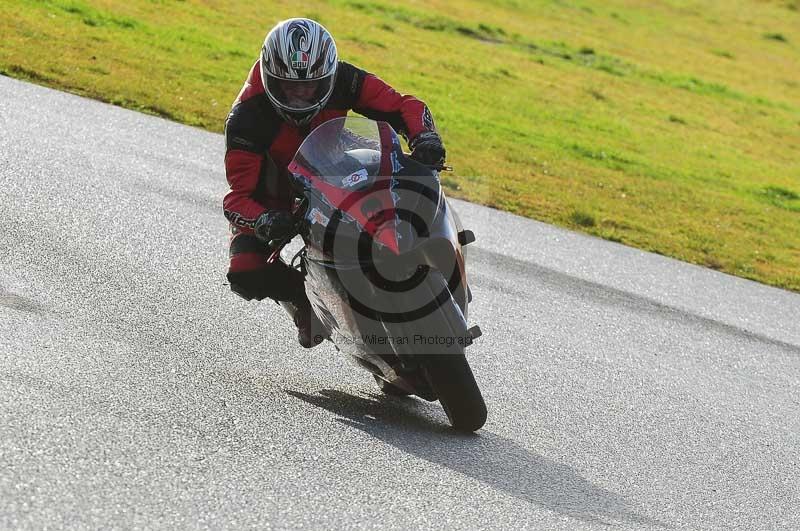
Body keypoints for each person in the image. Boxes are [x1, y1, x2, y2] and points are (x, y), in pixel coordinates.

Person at [223, 18, 446, 348]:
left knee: (407, 181)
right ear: (270, 77)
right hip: (274, 195)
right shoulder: (246, 118)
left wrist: (424, 136)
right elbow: (237, 198)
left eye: (310, 86)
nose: (300, 95)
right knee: (245, 272)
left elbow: (402, 105)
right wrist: (264, 219)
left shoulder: (345, 79)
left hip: (333, 162)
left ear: (328, 75)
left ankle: (434, 255)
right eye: (288, 86)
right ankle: (305, 302)